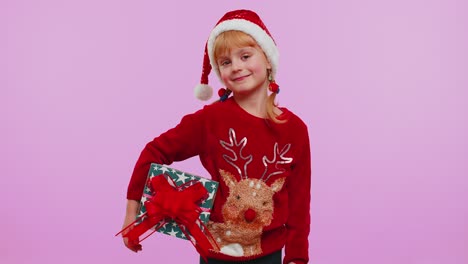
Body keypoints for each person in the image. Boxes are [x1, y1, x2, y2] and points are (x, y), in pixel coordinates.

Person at [121, 9, 311, 264]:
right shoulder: (209, 120)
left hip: (269, 255)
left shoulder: (295, 130)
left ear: (268, 60)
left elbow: (299, 204)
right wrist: (133, 211)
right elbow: (154, 151)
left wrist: (297, 258)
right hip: (216, 254)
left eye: (245, 56)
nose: (237, 67)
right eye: (225, 62)